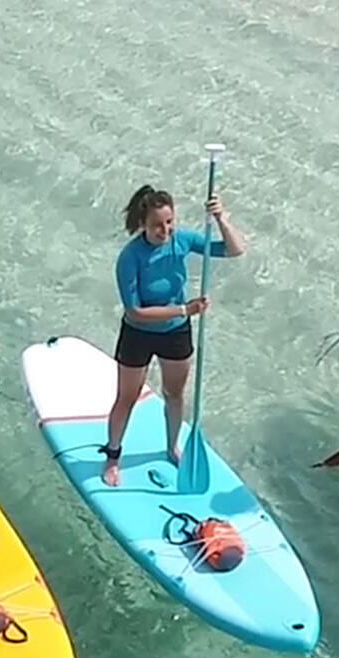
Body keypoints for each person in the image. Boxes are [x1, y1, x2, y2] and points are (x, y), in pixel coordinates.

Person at [101, 183, 247, 486]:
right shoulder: (130, 257)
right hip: (138, 334)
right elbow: (134, 311)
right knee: (126, 397)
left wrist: (221, 218)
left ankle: (171, 447)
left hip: (175, 334)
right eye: (157, 225)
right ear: (143, 224)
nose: (165, 230)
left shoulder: (181, 240)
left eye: (169, 222)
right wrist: (184, 310)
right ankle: (113, 456)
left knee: (175, 394)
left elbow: (235, 249)